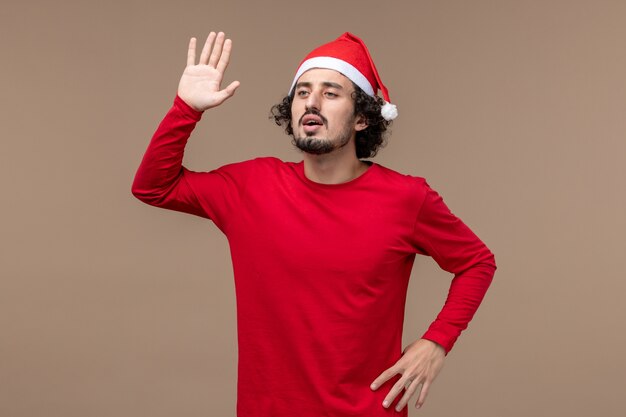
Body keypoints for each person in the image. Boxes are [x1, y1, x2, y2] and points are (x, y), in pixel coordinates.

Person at [132, 31, 496, 417]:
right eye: (302, 92)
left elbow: (476, 262)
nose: (312, 102)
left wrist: (437, 342)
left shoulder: (406, 199)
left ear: (362, 118)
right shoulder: (251, 187)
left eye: (331, 92)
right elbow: (154, 187)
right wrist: (186, 109)